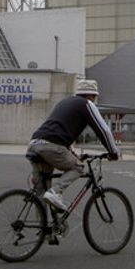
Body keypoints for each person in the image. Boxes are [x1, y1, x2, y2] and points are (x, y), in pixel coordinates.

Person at [26, 79, 120, 211]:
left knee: (41, 194)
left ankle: (45, 229)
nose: (94, 100)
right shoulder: (86, 104)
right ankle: (55, 192)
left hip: (35, 144)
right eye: (94, 97)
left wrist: (74, 155)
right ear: (92, 95)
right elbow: (103, 130)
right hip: (51, 145)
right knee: (78, 167)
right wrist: (113, 152)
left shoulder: (64, 103)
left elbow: (59, 133)